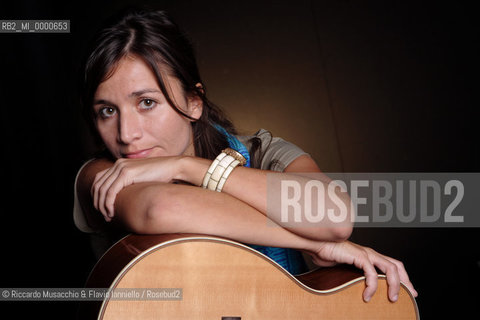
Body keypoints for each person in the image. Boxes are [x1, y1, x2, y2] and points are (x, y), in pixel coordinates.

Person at [73, 7, 417, 303]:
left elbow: (335, 216)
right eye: (107, 111)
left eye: (147, 103)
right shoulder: (99, 176)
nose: (126, 134)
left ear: (194, 102)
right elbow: (163, 207)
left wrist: (186, 166)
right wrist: (320, 244)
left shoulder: (260, 152)